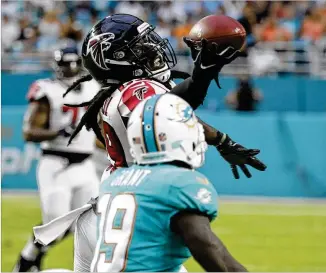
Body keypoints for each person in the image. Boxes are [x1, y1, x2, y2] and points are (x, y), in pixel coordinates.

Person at [32, 14, 266, 271]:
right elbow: (166, 112)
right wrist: (219, 133)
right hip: (142, 210)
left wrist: (203, 82)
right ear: (116, 60)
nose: (152, 48)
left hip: (112, 204)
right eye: (141, 47)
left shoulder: (124, 91)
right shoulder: (138, 89)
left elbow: (171, 108)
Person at [13, 46, 101, 272]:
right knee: (56, 224)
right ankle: (28, 258)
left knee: (87, 221)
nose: (70, 69)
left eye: (73, 63)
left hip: (86, 165)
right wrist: (58, 133)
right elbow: (29, 132)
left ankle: (30, 257)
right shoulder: (47, 90)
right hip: (56, 164)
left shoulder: (93, 87)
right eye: (65, 64)